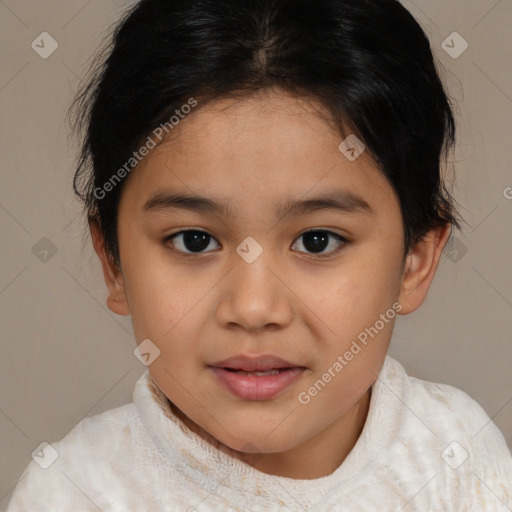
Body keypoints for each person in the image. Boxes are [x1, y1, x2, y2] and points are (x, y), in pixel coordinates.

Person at [6, 0, 512, 509]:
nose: (253, 308)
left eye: (318, 240)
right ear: (113, 261)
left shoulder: (455, 456)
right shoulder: (74, 491)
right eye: (194, 240)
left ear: (414, 261)